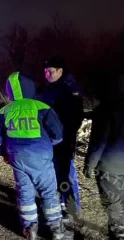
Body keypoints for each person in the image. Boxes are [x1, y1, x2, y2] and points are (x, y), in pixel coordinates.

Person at [0, 72, 73, 240]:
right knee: (49, 192)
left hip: (17, 158)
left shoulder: (3, 112)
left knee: (25, 193)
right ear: (30, 87)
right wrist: (49, 144)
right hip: (41, 156)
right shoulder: (41, 107)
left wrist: (4, 154)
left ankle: (30, 230)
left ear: (10, 91)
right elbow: (58, 133)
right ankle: (57, 231)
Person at [83, 72, 124, 240]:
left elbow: (99, 141)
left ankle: (120, 236)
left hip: (108, 166)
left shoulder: (104, 110)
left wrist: (89, 164)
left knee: (112, 204)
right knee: (122, 197)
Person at [36, 56, 84, 221]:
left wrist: (67, 135)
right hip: (50, 139)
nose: (47, 74)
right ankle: (59, 202)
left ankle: (71, 206)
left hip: (65, 139)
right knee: (54, 172)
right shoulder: (48, 89)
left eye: (50, 71)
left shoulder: (70, 90)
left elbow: (76, 117)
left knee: (67, 173)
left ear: (60, 71)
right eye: (45, 72)